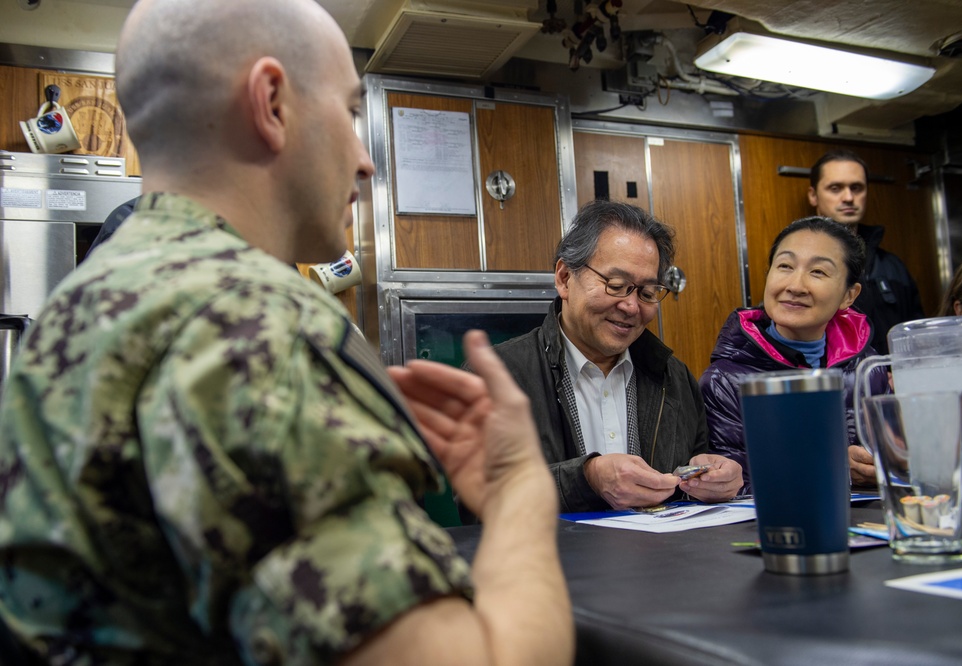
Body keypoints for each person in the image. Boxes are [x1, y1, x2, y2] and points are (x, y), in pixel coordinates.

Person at [0, 0, 573, 664]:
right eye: (353, 113)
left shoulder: (75, 312)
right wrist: (519, 491)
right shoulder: (256, 331)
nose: (366, 160)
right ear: (271, 101)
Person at [485, 199, 742, 513]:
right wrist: (587, 479)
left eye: (647, 293)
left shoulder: (674, 378)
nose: (631, 307)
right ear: (565, 278)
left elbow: (689, 480)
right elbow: (480, 499)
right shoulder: (500, 374)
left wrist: (713, 480)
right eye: (616, 285)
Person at [700, 216, 891, 492]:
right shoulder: (725, 380)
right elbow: (738, 489)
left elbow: (896, 464)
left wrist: (881, 467)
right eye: (785, 266)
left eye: (818, 272)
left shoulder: (869, 371)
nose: (795, 285)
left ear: (849, 295)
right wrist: (833, 468)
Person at [808, 149, 924, 354]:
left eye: (857, 188)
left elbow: (918, 340)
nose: (849, 197)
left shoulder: (892, 268)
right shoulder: (797, 266)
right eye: (835, 188)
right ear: (813, 195)